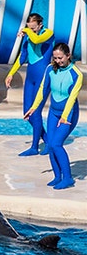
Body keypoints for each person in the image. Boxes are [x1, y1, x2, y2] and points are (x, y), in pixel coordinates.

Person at [24, 42, 81, 190]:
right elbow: (43, 89)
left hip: (68, 114)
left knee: (56, 144)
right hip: (53, 112)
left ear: (68, 56)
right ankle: (57, 176)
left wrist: (65, 117)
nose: (58, 61)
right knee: (50, 144)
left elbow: (72, 98)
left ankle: (68, 178)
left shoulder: (76, 74)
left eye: (60, 58)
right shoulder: (50, 69)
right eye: (55, 58)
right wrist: (34, 108)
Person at [5, 12, 53, 156]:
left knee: (36, 111)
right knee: (27, 113)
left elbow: (37, 40)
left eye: (33, 28)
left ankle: (34, 147)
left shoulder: (48, 33)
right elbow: (22, 56)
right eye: (29, 28)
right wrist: (11, 73)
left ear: (40, 25)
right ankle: (48, 141)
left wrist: (26, 31)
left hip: (43, 77)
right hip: (31, 77)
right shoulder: (29, 35)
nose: (31, 31)